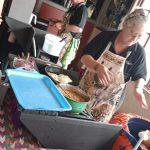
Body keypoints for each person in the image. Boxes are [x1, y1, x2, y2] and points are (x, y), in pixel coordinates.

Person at [79, 8, 149, 123]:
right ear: (125, 25)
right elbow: (84, 57)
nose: (134, 39)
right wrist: (98, 67)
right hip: (86, 90)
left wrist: (138, 89)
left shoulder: (138, 52)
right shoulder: (105, 37)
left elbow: (140, 75)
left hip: (108, 102)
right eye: (133, 34)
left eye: (139, 36)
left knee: (92, 131)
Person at [54, 0, 88, 69]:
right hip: (64, 38)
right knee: (55, 59)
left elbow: (78, 29)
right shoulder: (74, 7)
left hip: (69, 42)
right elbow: (70, 23)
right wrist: (59, 22)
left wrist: (62, 26)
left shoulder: (82, 10)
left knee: (60, 63)